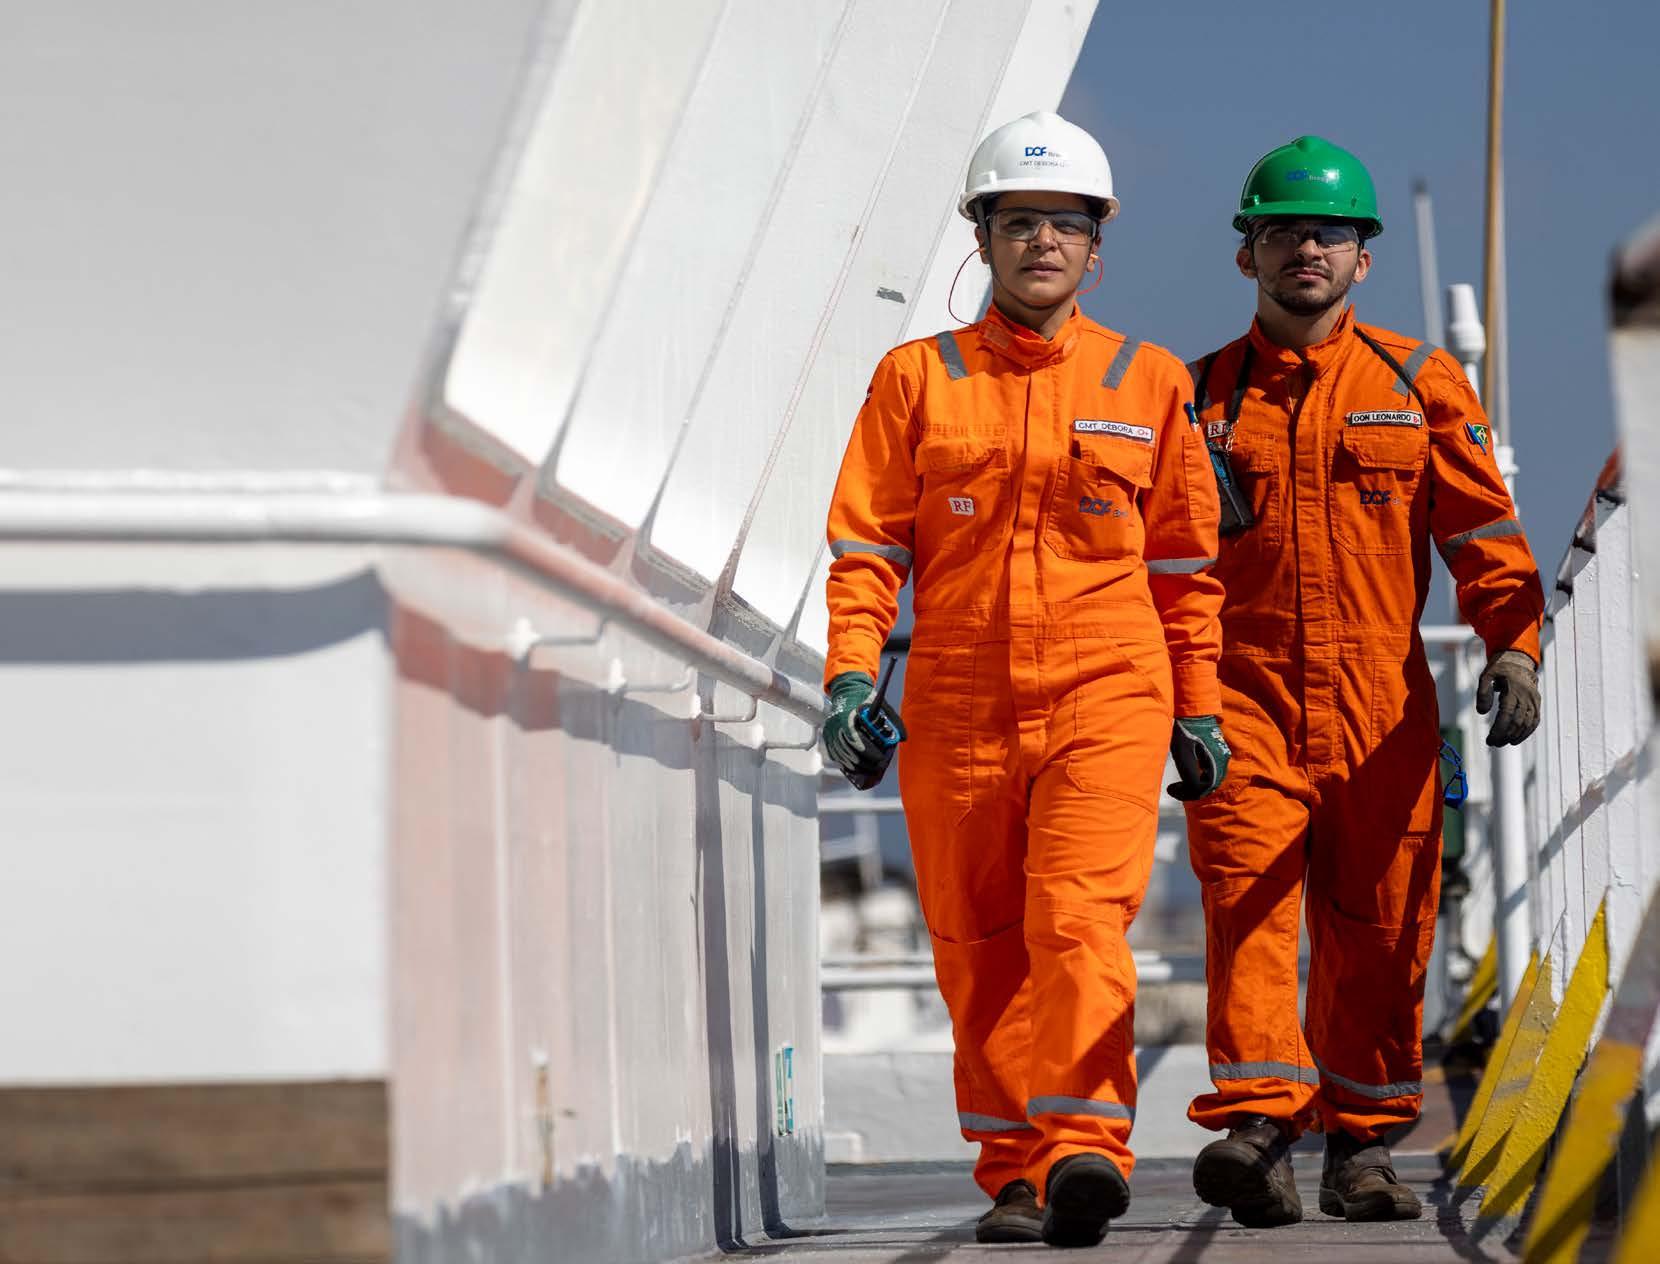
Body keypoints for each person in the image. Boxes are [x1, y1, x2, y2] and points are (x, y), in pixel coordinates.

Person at [819, 110, 1229, 1249]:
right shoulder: (917, 379)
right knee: (975, 938)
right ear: (982, 238)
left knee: (1077, 918)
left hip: (1108, 687)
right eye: (1018, 222)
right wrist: (852, 680)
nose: (1042, 241)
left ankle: (1084, 1146)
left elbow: (1185, 567)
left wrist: (1199, 707)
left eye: (1065, 223)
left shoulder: (1147, 380)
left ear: (1097, 245)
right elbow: (867, 549)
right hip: (957, 696)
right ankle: (1013, 1168)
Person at [1182, 135, 1545, 1228]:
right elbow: (1161, 566)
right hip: (1241, 705)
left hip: (1382, 708)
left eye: (1329, 234)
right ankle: (1259, 1127)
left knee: (1384, 925)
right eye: (1284, 232)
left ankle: (1364, 1144)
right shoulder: (1196, 397)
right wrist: (1171, 696)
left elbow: (1483, 533)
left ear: (1362, 258)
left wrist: (1514, 647)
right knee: (1246, 906)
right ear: (1245, 254)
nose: (1307, 248)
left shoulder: (1417, 383)